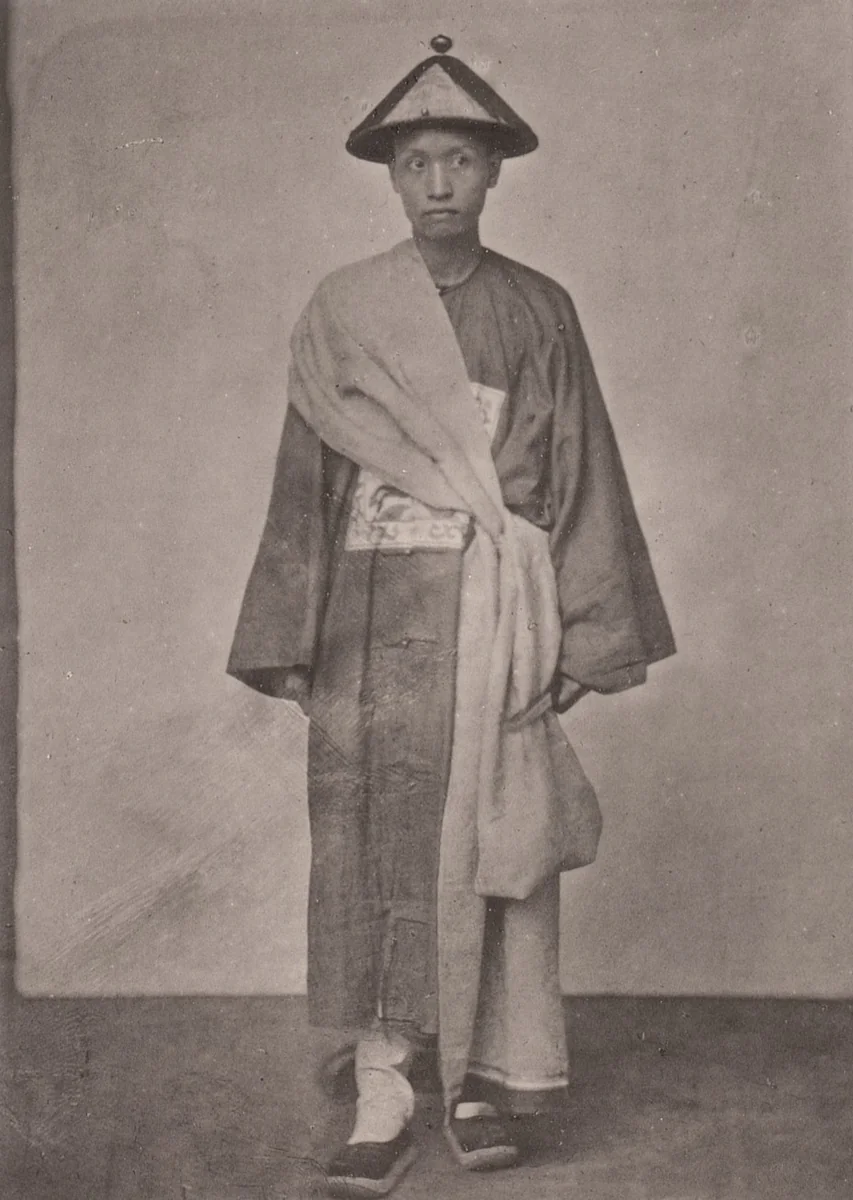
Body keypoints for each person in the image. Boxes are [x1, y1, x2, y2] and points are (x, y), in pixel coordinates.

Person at [227, 36, 675, 1197]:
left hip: (495, 612)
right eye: (417, 161)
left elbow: (581, 471)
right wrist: (290, 635)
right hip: (372, 618)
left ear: (494, 172)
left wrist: (585, 632)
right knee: (373, 840)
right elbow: (307, 480)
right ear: (390, 174)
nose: (438, 183)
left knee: (497, 844)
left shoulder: (538, 309)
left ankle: (486, 1077)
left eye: (459, 160)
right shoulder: (346, 311)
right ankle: (384, 1082)